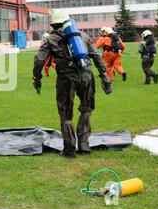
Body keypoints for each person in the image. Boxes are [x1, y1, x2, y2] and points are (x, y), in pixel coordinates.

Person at [33, 12, 111, 158]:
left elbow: (39, 60)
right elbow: (97, 56)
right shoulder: (84, 36)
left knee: (65, 114)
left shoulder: (50, 39)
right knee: (86, 109)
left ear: (54, 25)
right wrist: (104, 76)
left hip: (66, 79)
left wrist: (36, 78)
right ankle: (84, 145)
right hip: (86, 75)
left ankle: (69, 150)